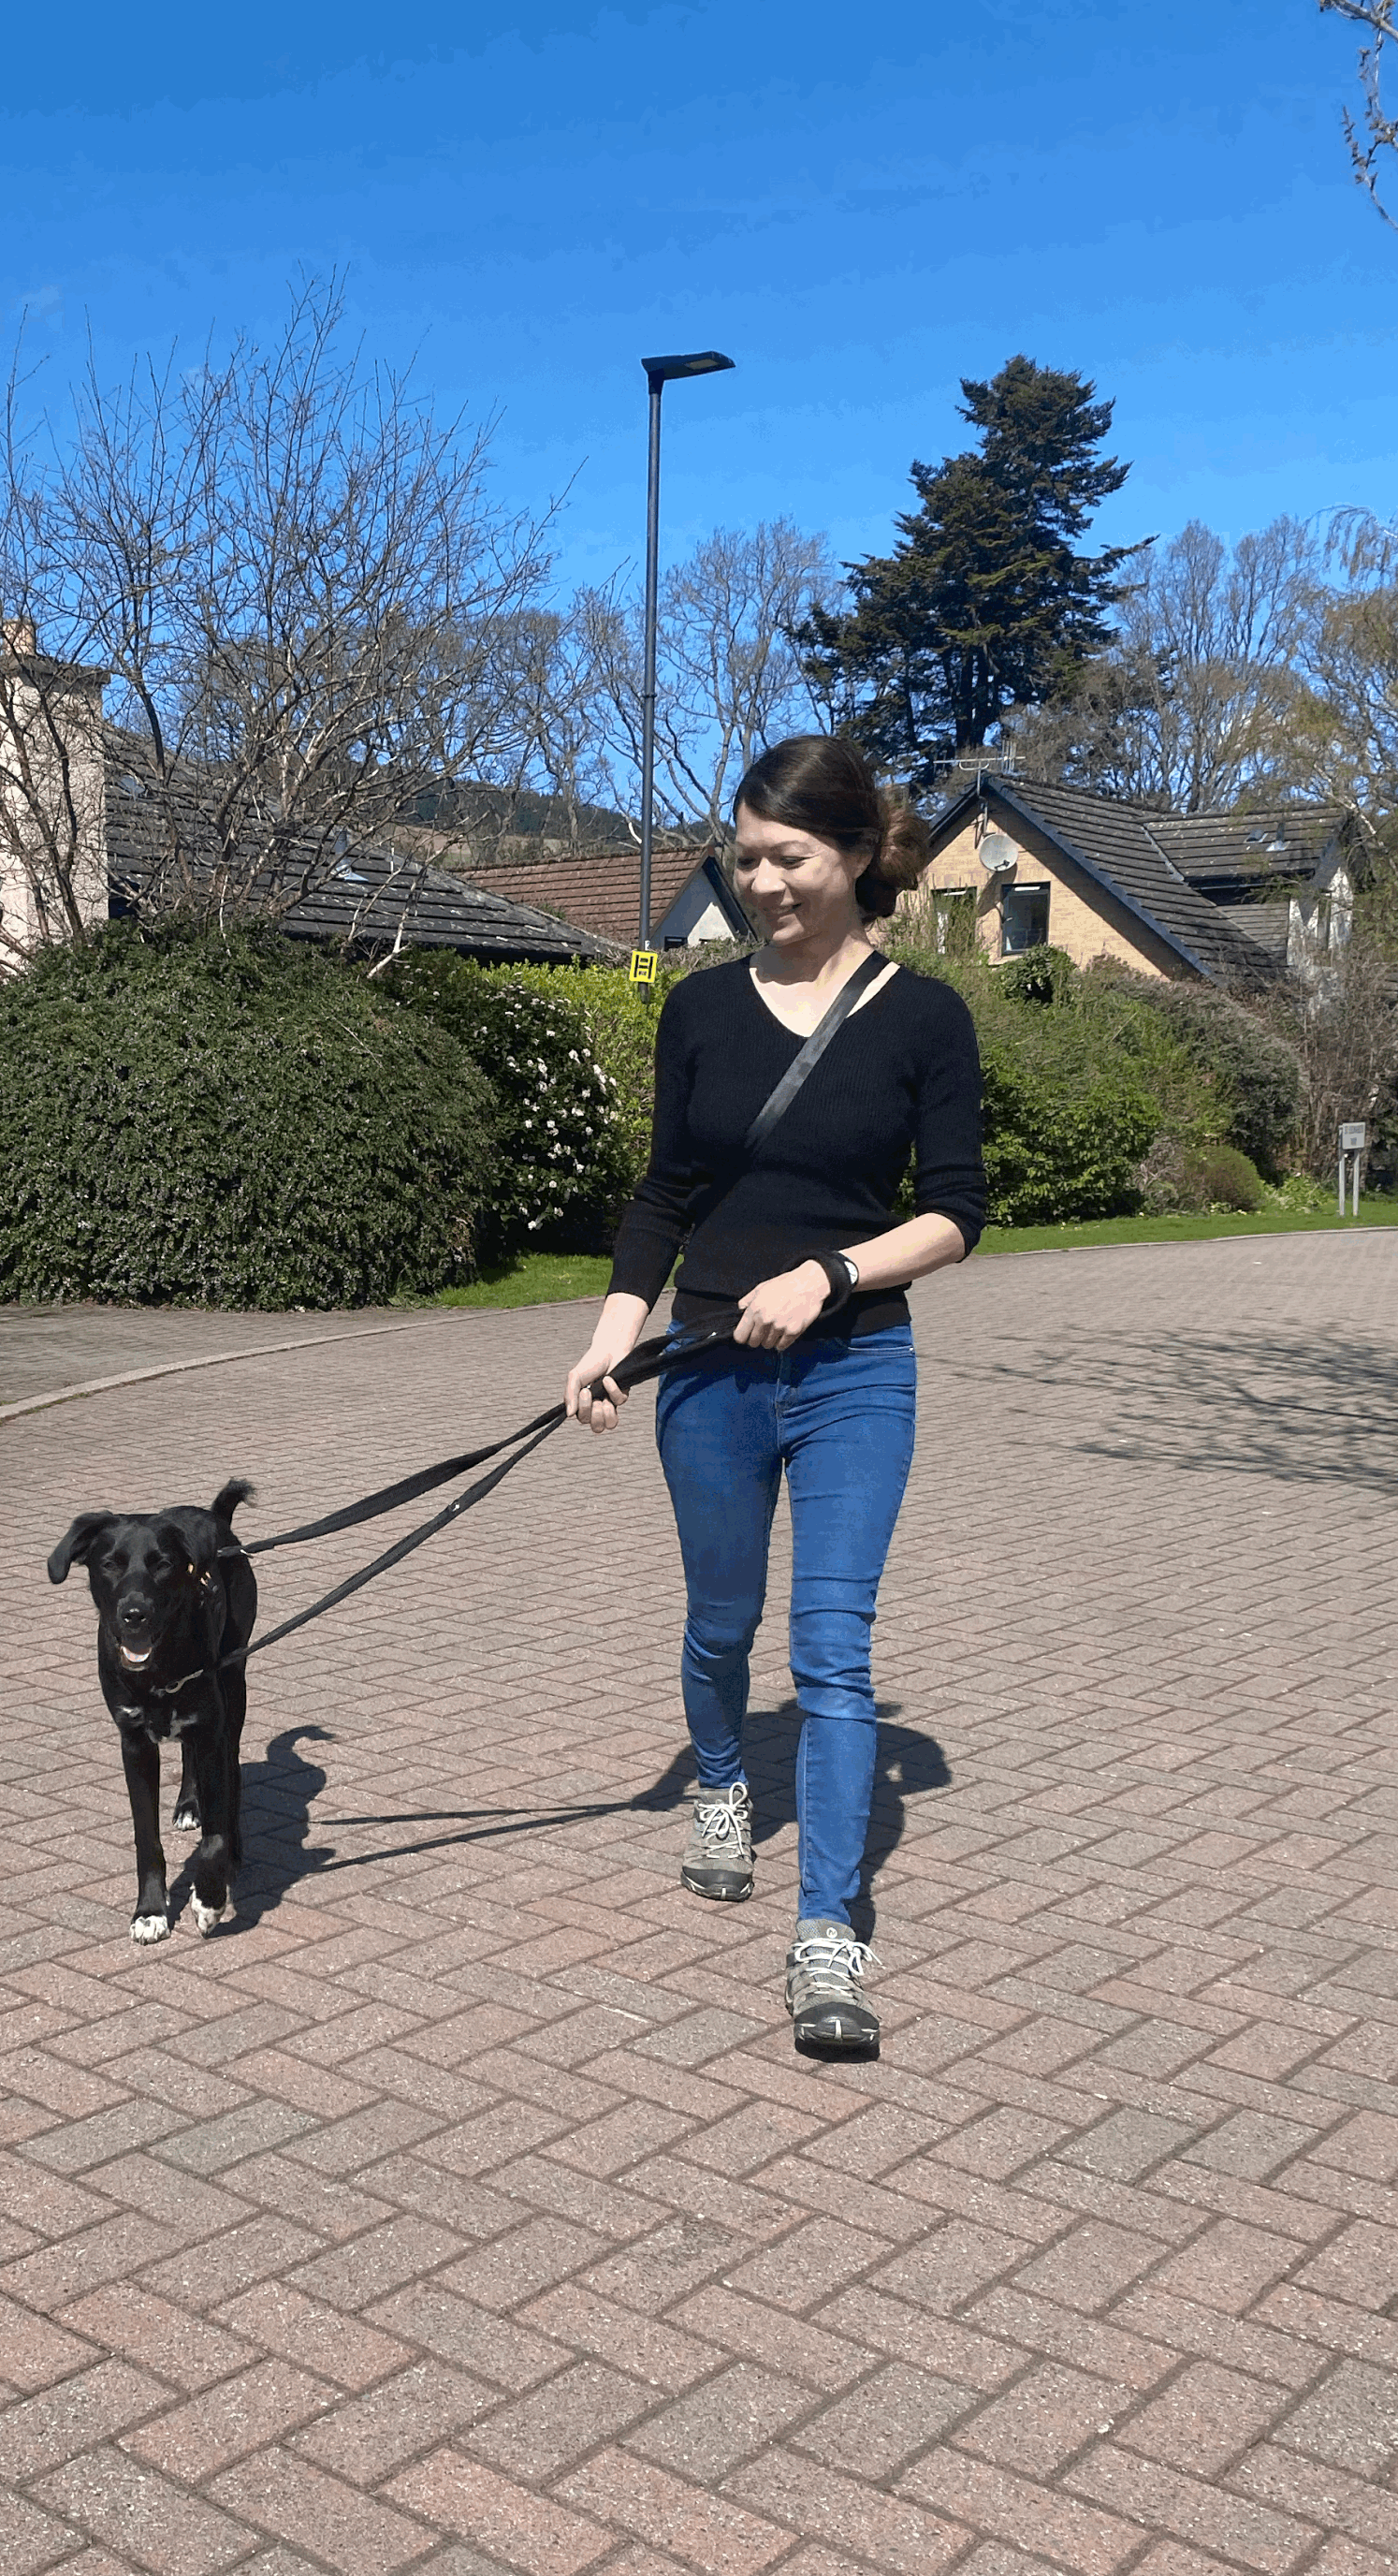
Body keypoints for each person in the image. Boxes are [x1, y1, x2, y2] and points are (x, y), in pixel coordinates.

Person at [565, 734, 985, 2056]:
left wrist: (832, 1273)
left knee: (834, 1653)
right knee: (720, 1626)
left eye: (788, 857)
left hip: (856, 1369)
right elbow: (665, 1196)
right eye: (744, 858)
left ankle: (826, 1936)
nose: (762, 882)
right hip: (706, 1372)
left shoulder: (925, 1017)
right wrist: (608, 1337)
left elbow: (958, 1214)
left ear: (858, 856)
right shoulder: (696, 1012)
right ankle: (726, 1787)